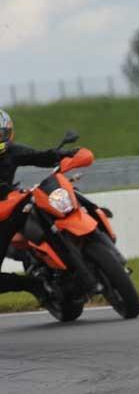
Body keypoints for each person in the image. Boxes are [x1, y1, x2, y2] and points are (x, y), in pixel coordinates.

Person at [0, 110, 77, 298]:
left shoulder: (12, 152)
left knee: (56, 198)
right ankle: (31, 284)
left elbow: (39, 156)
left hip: (15, 204)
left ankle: (76, 249)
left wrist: (62, 155)